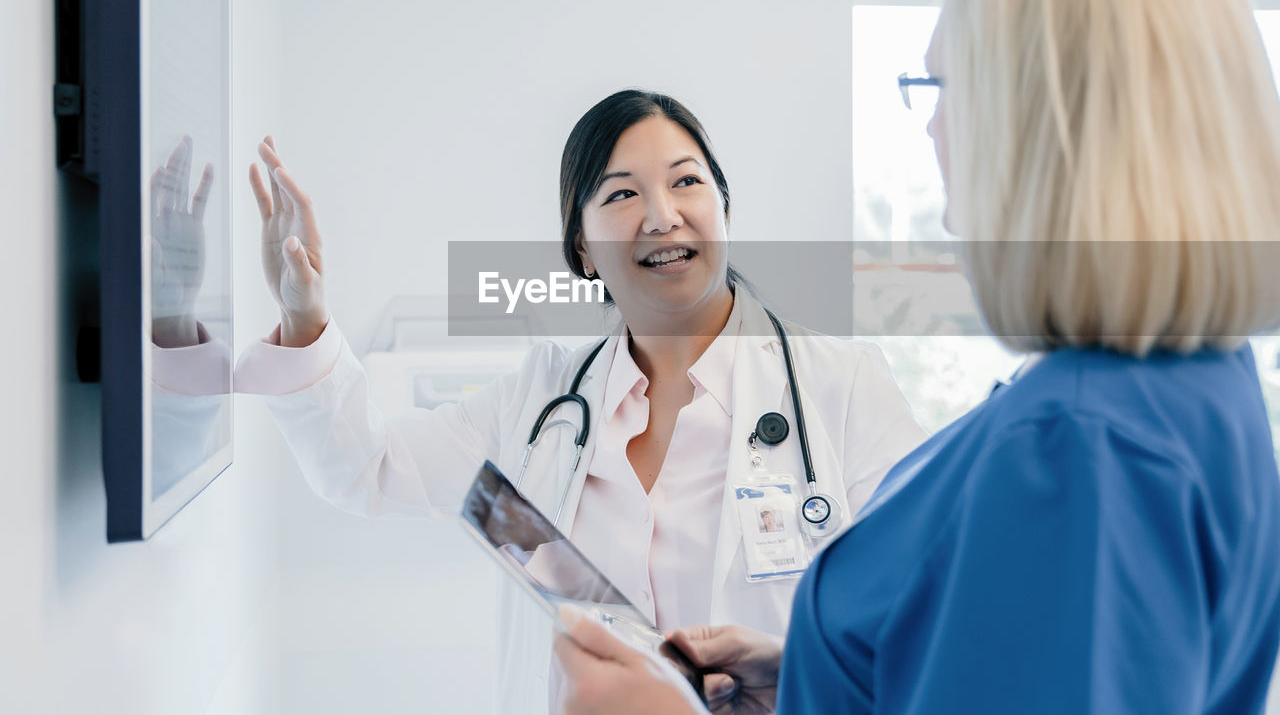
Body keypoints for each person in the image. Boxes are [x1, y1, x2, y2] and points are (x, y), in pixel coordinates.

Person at [553, 0, 1280, 715]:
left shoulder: (1079, 448)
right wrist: (824, 672)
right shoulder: (1190, 386)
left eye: (943, 84)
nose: (933, 123)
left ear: (1044, 120)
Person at [233, 90, 927, 714]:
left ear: (723, 207)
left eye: (687, 181)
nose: (662, 215)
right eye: (622, 195)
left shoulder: (841, 386)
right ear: (584, 248)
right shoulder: (536, 406)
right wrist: (305, 313)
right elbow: (366, 467)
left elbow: (921, 615)